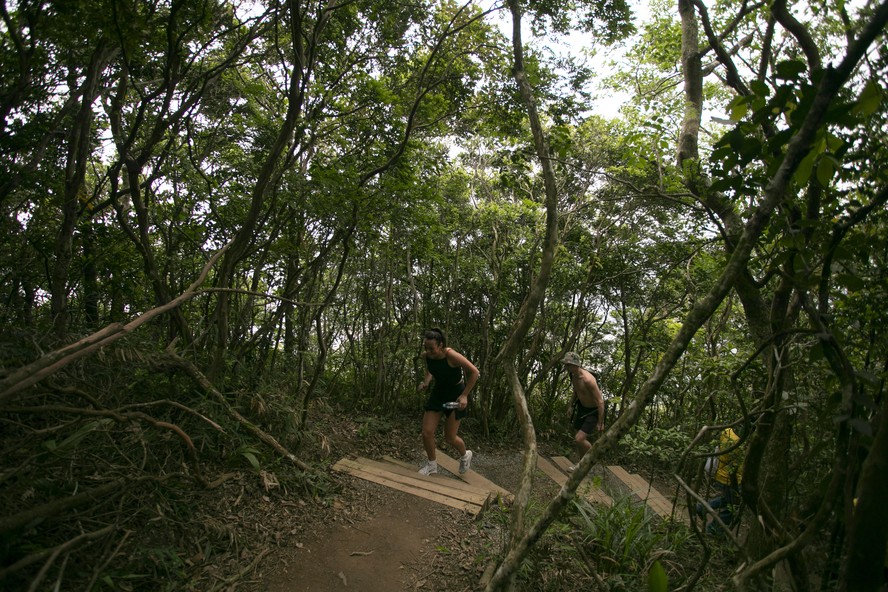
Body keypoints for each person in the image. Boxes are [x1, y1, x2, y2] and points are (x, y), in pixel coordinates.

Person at [417, 328, 479, 476]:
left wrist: (464, 395)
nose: (428, 351)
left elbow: (474, 372)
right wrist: (426, 382)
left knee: (449, 437)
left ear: (441, 345)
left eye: (431, 348)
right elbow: (430, 369)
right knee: (427, 432)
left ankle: (465, 455)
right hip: (438, 395)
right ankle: (432, 465)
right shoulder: (427, 356)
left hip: (455, 397)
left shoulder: (451, 355)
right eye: (426, 348)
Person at [562, 351, 605, 471]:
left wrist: (600, 422)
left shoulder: (588, 379)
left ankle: (592, 458)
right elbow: (576, 391)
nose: (566, 367)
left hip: (592, 412)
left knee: (579, 439)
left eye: (568, 365)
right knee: (579, 441)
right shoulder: (573, 375)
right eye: (565, 365)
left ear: (575, 365)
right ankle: (581, 465)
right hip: (581, 408)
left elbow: (600, 402)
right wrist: (571, 406)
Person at [699, 426, 744, 535]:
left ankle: (702, 507)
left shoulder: (727, 431)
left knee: (727, 499)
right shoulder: (738, 443)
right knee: (733, 508)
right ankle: (713, 529)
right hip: (728, 479)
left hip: (720, 473)